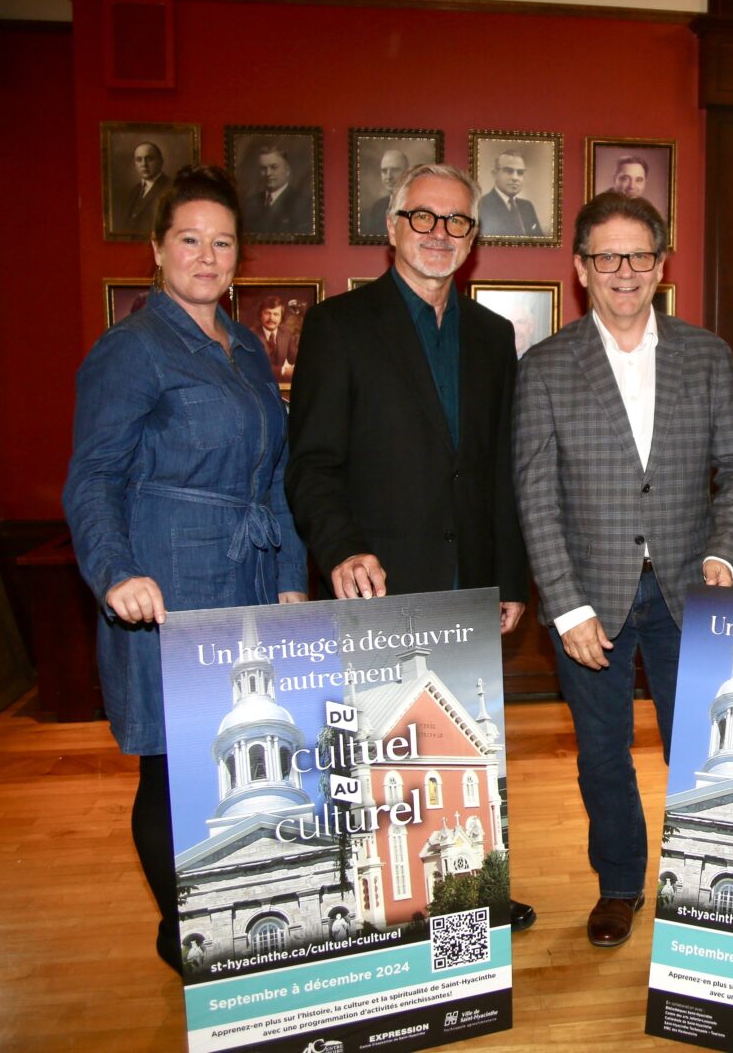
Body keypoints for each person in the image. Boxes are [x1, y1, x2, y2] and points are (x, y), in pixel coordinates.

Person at [63, 165, 308, 973]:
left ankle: (241, 920)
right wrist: (114, 573)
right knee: (173, 770)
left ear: (241, 257)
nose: (207, 256)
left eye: (223, 242)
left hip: (247, 577)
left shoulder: (242, 345)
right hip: (164, 584)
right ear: (158, 250)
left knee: (234, 752)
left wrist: (290, 574)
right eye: (190, 240)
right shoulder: (129, 350)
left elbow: (272, 477)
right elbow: (92, 477)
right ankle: (188, 937)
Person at [285, 162, 537, 933]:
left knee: (463, 756)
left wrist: (510, 577)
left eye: (456, 222)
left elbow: (502, 468)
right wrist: (341, 550)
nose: (439, 234)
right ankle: (380, 913)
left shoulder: (494, 338)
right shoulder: (338, 325)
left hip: (470, 589)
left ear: (473, 240)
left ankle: (471, 894)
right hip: (378, 585)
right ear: (393, 227)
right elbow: (313, 463)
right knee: (382, 762)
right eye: (423, 218)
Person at [513, 192, 733, 948]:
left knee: (707, 747)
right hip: (589, 599)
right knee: (601, 753)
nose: (623, 272)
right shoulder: (546, 366)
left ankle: (708, 889)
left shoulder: (705, 354)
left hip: (692, 589)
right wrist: (563, 605)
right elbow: (534, 493)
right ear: (582, 267)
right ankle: (619, 884)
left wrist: (723, 552)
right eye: (605, 257)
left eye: (638, 256)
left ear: (661, 264)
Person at [243, 144, 311, 235]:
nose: (268, 173)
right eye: (263, 168)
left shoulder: (303, 204)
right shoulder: (250, 203)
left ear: (287, 170)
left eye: (274, 167)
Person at [477, 150, 543, 237]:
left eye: (520, 173)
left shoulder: (527, 206)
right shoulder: (481, 205)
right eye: (508, 171)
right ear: (494, 174)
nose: (515, 178)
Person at [121, 141, 169, 235]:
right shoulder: (133, 191)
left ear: (161, 161)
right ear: (135, 164)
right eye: (139, 159)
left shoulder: (171, 187)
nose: (144, 164)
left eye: (149, 159)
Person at [361, 149, 409, 237]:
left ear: (407, 172)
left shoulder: (418, 205)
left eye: (394, 170)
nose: (388, 176)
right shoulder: (376, 208)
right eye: (384, 171)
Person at [249, 295, 296, 381]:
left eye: (276, 314)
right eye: (267, 313)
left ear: (281, 317)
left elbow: (296, 358)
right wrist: (283, 371)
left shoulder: (286, 334)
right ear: (260, 315)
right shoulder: (250, 335)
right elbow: (255, 366)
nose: (271, 318)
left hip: (281, 385)